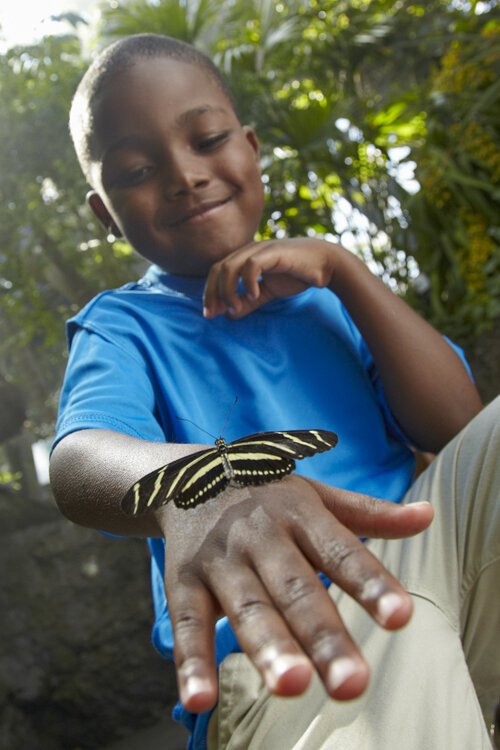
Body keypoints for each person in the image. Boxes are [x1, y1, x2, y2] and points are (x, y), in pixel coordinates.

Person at [49, 33, 499, 750]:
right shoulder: (123, 328)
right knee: (405, 651)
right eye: (137, 168)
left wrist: (346, 272)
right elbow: (77, 464)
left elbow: (460, 428)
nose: (185, 175)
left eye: (208, 138)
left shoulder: (325, 297)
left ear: (252, 148)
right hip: (284, 639)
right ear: (106, 214)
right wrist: (203, 483)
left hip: (425, 555)